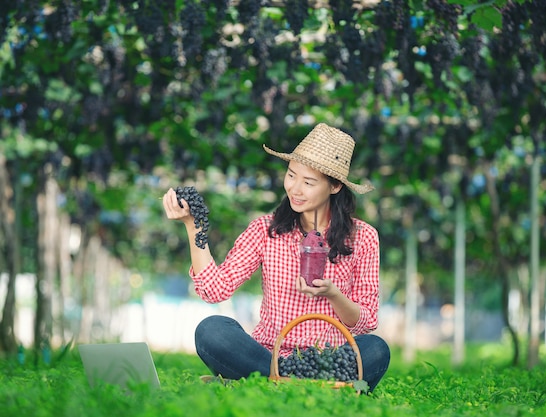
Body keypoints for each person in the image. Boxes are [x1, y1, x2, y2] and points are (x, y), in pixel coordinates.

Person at [162, 123, 390, 392]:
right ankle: (300, 380)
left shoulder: (363, 236)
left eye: (309, 182)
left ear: (335, 186)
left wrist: (332, 294)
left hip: (329, 357)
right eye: (292, 175)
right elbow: (215, 289)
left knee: (376, 349)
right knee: (212, 331)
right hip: (268, 354)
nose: (295, 189)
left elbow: (366, 320)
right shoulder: (264, 230)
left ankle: (273, 381)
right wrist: (193, 226)